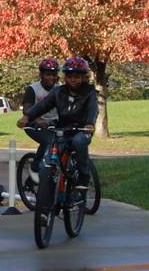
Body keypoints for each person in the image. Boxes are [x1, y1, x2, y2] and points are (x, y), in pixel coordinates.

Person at [21, 56, 98, 185]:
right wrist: (28, 116)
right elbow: (43, 105)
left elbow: (92, 109)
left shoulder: (89, 92)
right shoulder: (59, 92)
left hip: (81, 129)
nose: (73, 80)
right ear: (65, 77)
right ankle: (48, 179)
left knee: (79, 142)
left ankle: (83, 177)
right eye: (70, 77)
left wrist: (90, 123)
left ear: (84, 78)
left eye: (77, 77)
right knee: (55, 150)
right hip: (63, 128)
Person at [20, 57, 60, 154]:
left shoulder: (60, 89)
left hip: (54, 123)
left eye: (54, 75)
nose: (51, 78)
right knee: (49, 141)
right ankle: (38, 165)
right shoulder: (33, 89)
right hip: (34, 124)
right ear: (41, 75)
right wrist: (38, 120)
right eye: (48, 74)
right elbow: (27, 109)